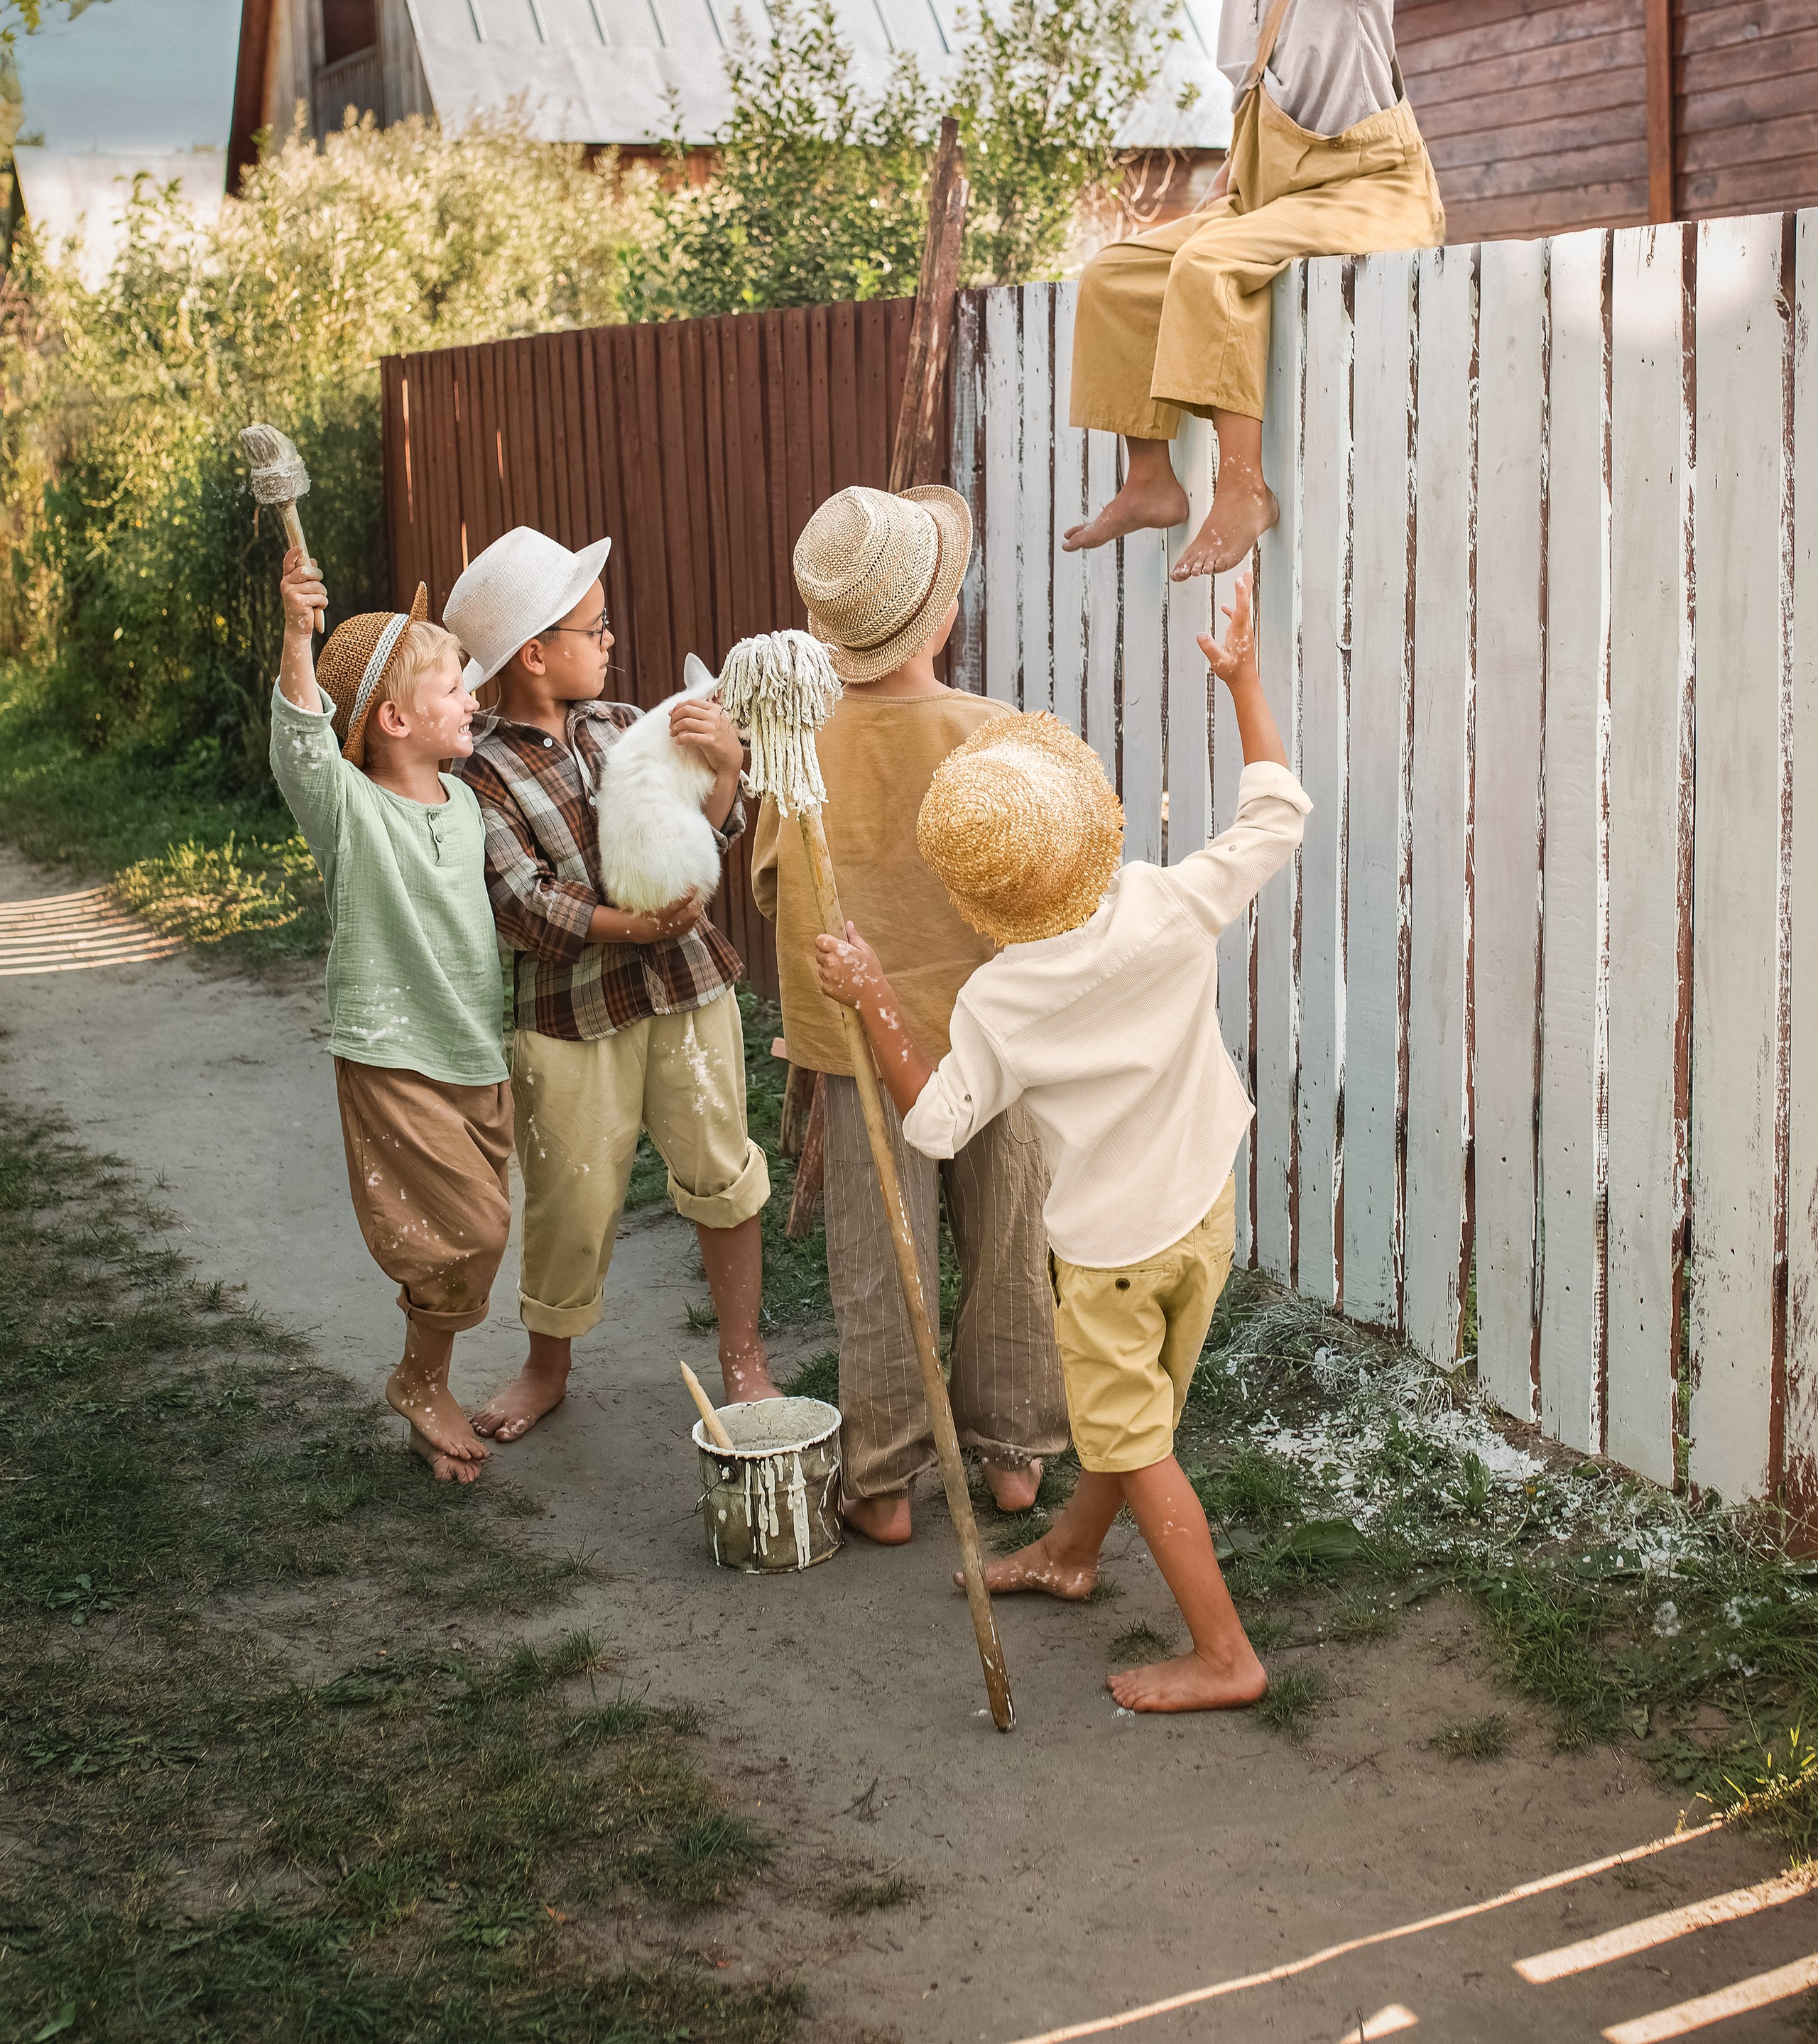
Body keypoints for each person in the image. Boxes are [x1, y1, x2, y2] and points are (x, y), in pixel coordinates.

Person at [812, 574, 1308, 1712]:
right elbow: (1276, 816)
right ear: (1092, 825)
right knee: (1135, 1412)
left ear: (977, 897)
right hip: (1204, 1208)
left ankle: (1224, 1654)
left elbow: (937, 1121)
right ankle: (1072, 1554)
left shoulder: (1003, 1000)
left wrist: (876, 996)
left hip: (1112, 1253)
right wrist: (1244, 685)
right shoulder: (1168, 902)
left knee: (1135, 1443)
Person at [751, 484, 1069, 1545]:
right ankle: (1014, 1452)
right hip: (997, 1038)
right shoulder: (994, 733)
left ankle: (883, 1479)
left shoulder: (801, 747)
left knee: (881, 1254)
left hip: (857, 1041)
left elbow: (771, 884)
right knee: (1010, 1237)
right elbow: (1050, 885)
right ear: (943, 617)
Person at [1064, 0, 1444, 580]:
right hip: (1273, 195)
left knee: (1210, 264)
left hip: (1368, 190)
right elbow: (1255, 108)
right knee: (1115, 275)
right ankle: (1151, 481)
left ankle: (1243, 487)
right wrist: (1225, 187)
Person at [443, 525, 777, 1442]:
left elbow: (710, 831)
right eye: (594, 629)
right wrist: (633, 926)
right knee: (571, 1194)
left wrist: (726, 767)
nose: (611, 640)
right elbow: (519, 899)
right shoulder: (480, 771)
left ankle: (743, 1356)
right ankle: (546, 1366)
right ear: (535, 653)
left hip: (685, 986)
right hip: (571, 1014)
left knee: (721, 1167)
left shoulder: (628, 724)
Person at [267, 547, 513, 1484]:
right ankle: (422, 1381)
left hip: (473, 1052)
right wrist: (297, 636)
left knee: (462, 1238)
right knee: (469, 1231)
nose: (470, 700)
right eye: (452, 688)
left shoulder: (468, 802)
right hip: (393, 1051)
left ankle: (424, 1390)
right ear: (394, 720)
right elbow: (303, 747)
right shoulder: (351, 811)